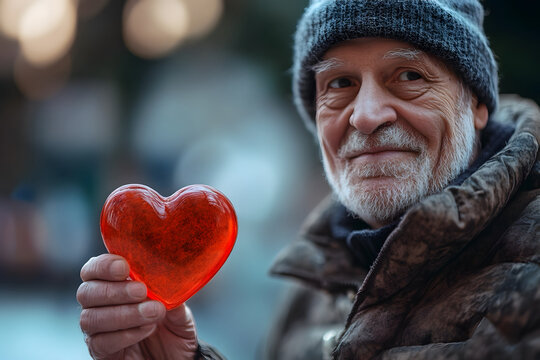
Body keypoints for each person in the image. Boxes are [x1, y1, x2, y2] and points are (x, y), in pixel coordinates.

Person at [76, 0, 540, 359]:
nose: (366, 116)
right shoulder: (309, 291)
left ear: (477, 104)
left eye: (409, 75)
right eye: (340, 84)